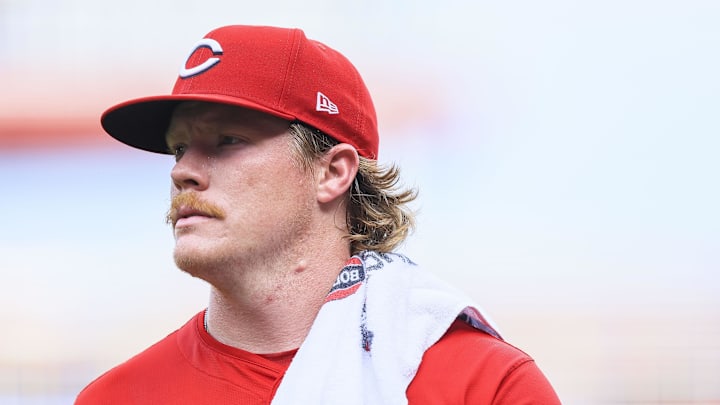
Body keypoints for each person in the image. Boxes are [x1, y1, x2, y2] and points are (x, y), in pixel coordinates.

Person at [75, 25, 560, 404]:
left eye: (227, 141)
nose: (185, 172)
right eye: (179, 148)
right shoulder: (115, 397)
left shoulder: (483, 386)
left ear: (332, 172)